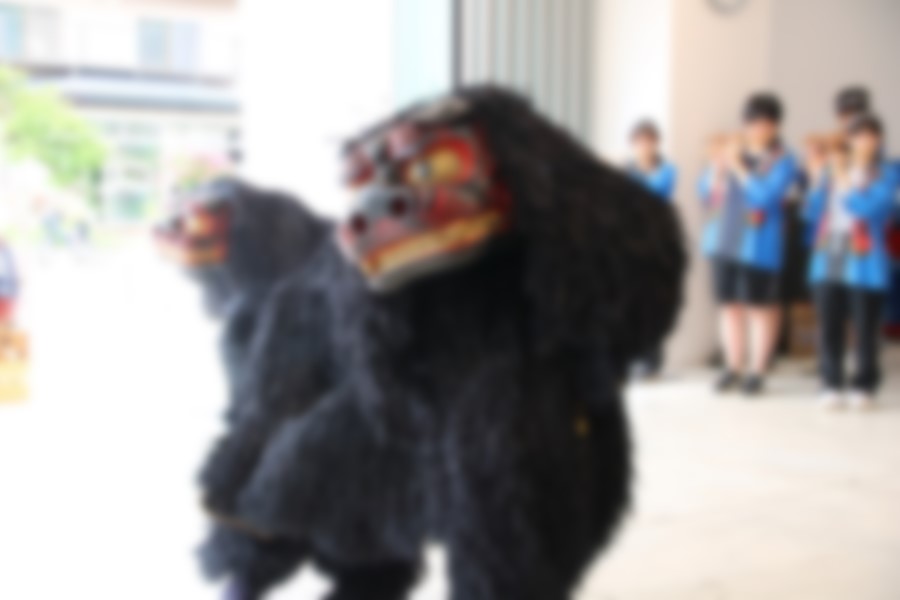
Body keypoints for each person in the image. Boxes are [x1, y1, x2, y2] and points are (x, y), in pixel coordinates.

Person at [699, 93, 797, 396]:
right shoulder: (732, 150)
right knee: (728, 306)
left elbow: (765, 197)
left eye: (766, 122)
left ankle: (757, 371)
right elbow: (705, 193)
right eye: (752, 122)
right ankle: (733, 367)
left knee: (760, 309)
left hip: (758, 245)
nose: (757, 128)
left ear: (776, 126)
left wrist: (739, 168)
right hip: (723, 239)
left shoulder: (783, 159)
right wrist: (718, 168)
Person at [804, 115, 898, 410]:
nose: (863, 141)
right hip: (829, 251)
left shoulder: (887, 173)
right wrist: (817, 179)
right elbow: (811, 212)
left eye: (869, 135)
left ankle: (864, 384)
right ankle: (830, 382)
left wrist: (844, 179)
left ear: (879, 140)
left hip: (866, 256)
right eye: (856, 136)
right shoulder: (832, 169)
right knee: (829, 322)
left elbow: (868, 209)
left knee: (865, 324)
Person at [625, 119, 678, 378]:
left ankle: (652, 361)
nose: (644, 146)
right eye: (638, 142)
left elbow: (654, 194)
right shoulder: (625, 170)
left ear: (657, 143)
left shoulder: (667, 169)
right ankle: (632, 357)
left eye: (649, 141)